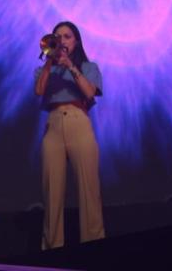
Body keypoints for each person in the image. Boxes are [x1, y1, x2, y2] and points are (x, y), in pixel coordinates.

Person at [33, 21, 104, 249]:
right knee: (51, 193)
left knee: (88, 189)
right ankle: (52, 250)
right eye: (57, 37)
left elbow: (89, 91)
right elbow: (39, 91)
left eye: (67, 36)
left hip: (78, 120)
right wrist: (49, 62)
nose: (61, 41)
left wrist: (70, 66)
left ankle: (94, 246)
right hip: (53, 125)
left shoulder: (88, 66)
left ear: (76, 41)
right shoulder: (44, 69)